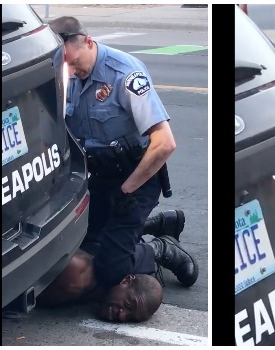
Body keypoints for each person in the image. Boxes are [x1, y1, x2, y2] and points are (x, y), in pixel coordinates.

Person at [47, 16, 199, 295]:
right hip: (99, 177)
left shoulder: (124, 74)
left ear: (89, 43)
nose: (67, 69)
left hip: (136, 179)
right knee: (82, 249)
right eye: (62, 63)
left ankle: (160, 248)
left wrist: (127, 190)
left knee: (109, 270)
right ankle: (153, 224)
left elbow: (164, 143)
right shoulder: (66, 75)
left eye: (72, 61)